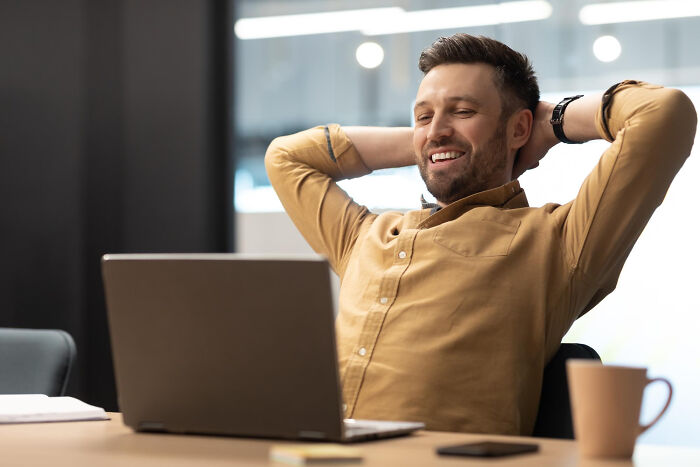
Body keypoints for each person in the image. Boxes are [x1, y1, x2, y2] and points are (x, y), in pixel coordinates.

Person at [265, 34, 697, 435]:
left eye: (464, 110)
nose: (436, 127)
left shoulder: (558, 241)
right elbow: (285, 158)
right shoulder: (366, 235)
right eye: (423, 115)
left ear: (519, 129)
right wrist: (432, 144)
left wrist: (553, 123)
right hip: (314, 453)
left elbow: (662, 112)